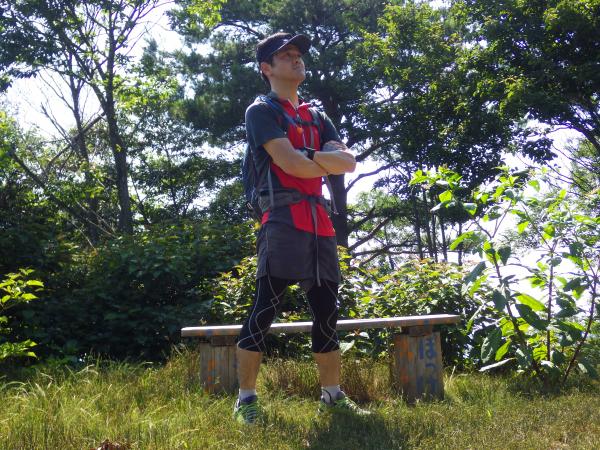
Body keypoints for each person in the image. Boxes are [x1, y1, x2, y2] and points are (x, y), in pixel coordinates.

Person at [233, 31, 369, 425]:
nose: (297, 59)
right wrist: (319, 158)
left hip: (319, 221)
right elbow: (290, 164)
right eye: (286, 55)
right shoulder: (261, 111)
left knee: (327, 311)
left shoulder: (317, 115)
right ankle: (246, 400)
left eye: (299, 54)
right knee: (265, 307)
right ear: (266, 68)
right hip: (281, 217)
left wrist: (309, 157)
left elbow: (349, 162)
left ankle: (332, 396)